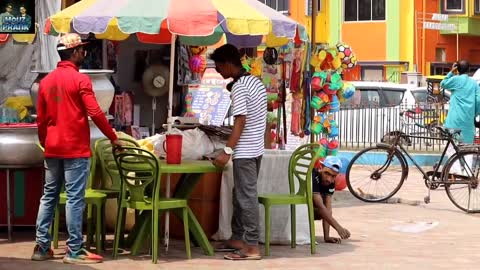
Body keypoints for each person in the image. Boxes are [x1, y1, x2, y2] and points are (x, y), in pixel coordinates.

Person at [32, 33, 122, 264]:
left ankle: (42, 247)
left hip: (52, 147)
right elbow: (95, 113)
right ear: (74, 53)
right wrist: (113, 137)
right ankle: (74, 250)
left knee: (49, 195)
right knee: (74, 198)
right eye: (82, 50)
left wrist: (46, 142)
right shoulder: (80, 80)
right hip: (75, 149)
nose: (85, 52)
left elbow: (41, 120)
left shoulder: (46, 82)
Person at [210, 44, 267, 260]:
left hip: (245, 151)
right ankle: (237, 237)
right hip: (256, 148)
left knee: (246, 198)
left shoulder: (241, 87)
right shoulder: (255, 82)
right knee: (240, 195)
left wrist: (227, 150)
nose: (219, 72)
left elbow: (240, 121)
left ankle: (251, 246)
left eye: (218, 68)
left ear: (227, 64)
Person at [312, 156, 351, 243]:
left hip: (312, 208)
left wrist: (327, 237)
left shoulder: (331, 183)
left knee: (325, 211)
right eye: (327, 173)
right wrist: (338, 228)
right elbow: (320, 206)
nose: (329, 179)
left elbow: (328, 209)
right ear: (321, 168)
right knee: (320, 208)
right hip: (298, 208)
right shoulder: (314, 176)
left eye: (333, 176)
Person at [440, 60, 477, 144]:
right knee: (467, 151)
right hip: (467, 122)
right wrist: (475, 113)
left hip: (453, 122)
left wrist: (451, 72)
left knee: (452, 150)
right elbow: (478, 100)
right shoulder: (473, 83)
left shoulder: (455, 80)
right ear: (469, 69)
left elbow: (443, 84)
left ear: (457, 69)